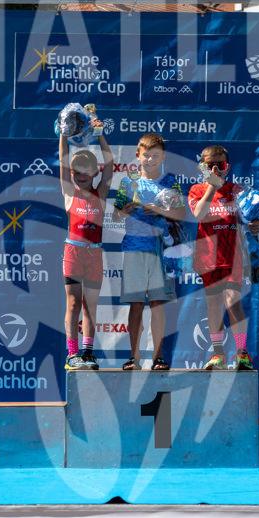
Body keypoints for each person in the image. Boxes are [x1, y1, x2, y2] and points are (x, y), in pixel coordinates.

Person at [188, 145, 259, 370]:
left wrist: (258, 224)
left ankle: (241, 354)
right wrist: (212, 186)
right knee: (214, 305)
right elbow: (199, 214)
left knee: (233, 302)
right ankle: (218, 355)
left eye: (220, 165)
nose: (215, 169)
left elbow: (252, 218)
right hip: (208, 257)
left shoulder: (238, 191)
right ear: (202, 167)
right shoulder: (197, 190)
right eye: (210, 165)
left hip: (233, 256)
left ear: (227, 167)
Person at [113, 133, 185, 371]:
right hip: (134, 248)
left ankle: (158, 357)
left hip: (160, 250)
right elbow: (115, 216)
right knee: (135, 305)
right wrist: (125, 210)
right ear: (138, 155)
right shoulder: (127, 182)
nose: (150, 160)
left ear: (163, 157)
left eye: (155, 156)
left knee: (158, 304)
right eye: (146, 155)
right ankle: (133, 358)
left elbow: (181, 214)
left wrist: (159, 210)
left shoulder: (171, 182)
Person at [59, 121, 113, 370]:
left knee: (90, 307)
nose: (80, 176)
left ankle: (88, 353)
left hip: (94, 254)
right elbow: (63, 160)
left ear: (94, 173)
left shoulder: (100, 194)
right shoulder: (69, 193)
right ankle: (72, 354)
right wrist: (63, 134)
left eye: (85, 172)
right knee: (73, 304)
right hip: (73, 253)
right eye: (76, 172)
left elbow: (110, 165)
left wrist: (100, 136)